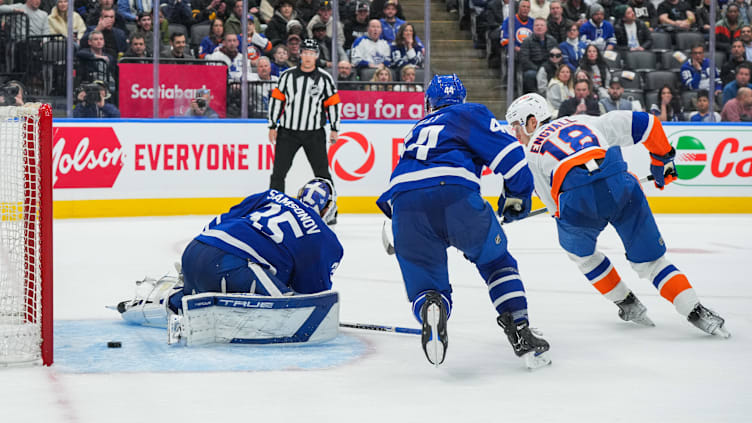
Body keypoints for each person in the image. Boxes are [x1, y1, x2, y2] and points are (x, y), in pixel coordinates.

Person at [505, 93, 730, 340]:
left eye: (516, 126)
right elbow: (648, 124)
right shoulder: (586, 120)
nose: (515, 135)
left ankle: (626, 302)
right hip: (620, 184)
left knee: (582, 256)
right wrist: (662, 159)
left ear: (532, 121)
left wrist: (520, 209)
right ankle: (695, 310)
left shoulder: (531, 155)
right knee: (651, 262)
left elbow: (556, 209)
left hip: (578, 199)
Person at [375, 74, 552, 369]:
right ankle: (520, 331)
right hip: (455, 195)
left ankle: (432, 306)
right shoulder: (470, 113)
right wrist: (517, 196)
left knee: (426, 287)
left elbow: (396, 191)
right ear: (462, 99)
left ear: (428, 104)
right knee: (497, 262)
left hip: (404, 206)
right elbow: (511, 156)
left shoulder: (414, 130)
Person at [117, 179, 343, 344]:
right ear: (327, 209)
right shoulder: (325, 237)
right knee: (289, 307)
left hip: (195, 249)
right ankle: (205, 303)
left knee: (209, 278)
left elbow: (217, 221)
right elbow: (313, 294)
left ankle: (174, 299)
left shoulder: (271, 196)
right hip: (231, 267)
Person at [268, 38, 341, 224]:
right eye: (305, 52)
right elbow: (277, 100)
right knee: (279, 173)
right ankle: (274, 207)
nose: (308, 56)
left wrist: (334, 128)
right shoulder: (287, 76)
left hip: (314, 133)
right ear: (300, 54)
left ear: (316, 56)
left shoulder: (325, 78)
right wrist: (272, 125)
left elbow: (333, 105)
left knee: (322, 173)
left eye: (311, 53)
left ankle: (330, 211)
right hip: (288, 132)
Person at [520, 17, 558, 94]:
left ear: (546, 28)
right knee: (530, 75)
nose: (539, 27)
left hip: (549, 67)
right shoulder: (527, 41)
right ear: (533, 28)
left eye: (542, 25)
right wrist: (539, 69)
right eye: (537, 25)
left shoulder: (552, 40)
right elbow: (524, 60)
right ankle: (535, 95)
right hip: (534, 68)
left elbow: (557, 56)